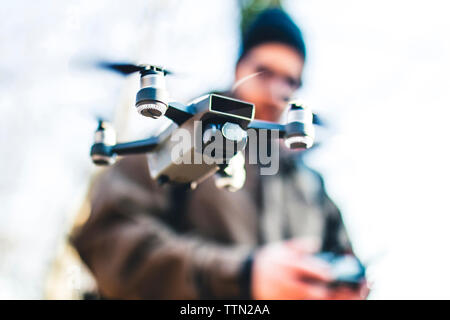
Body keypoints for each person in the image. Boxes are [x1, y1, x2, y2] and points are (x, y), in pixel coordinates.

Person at [72, 8, 368, 300]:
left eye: (290, 81)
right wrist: (241, 277)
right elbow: (107, 235)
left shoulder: (312, 187)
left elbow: (346, 261)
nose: (277, 90)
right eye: (265, 73)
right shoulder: (188, 137)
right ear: (239, 69)